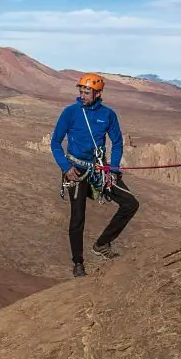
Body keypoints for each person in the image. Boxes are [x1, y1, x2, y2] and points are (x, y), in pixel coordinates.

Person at [49, 73, 139, 277]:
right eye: (81, 91)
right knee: (77, 217)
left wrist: (113, 169)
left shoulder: (108, 115)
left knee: (130, 203)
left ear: (98, 93)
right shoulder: (70, 112)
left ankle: (102, 244)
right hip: (76, 170)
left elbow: (117, 142)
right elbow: (55, 143)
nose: (82, 95)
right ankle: (78, 262)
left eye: (87, 91)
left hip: (99, 169)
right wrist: (65, 167)